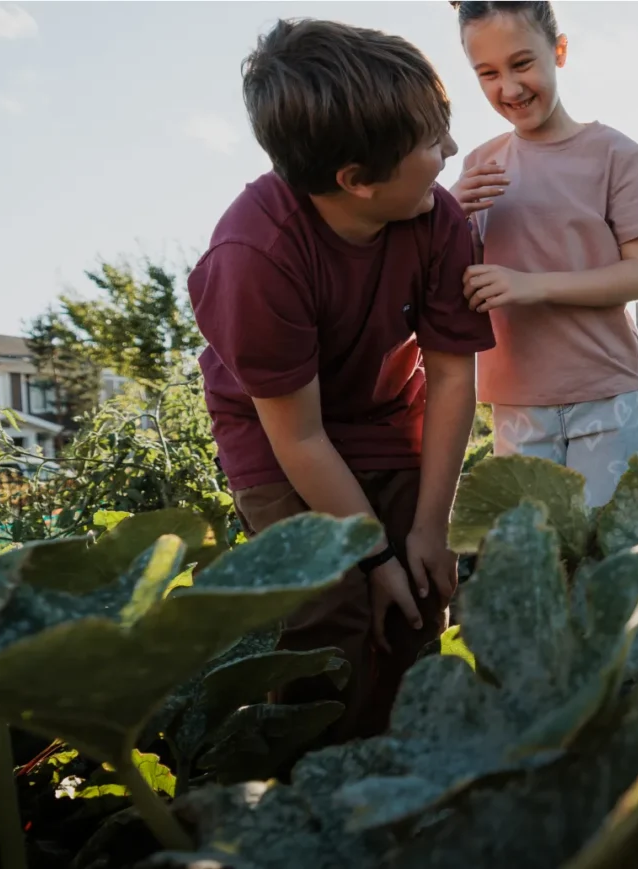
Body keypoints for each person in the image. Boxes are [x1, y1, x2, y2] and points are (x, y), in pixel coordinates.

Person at [186, 18, 493, 743]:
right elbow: (299, 433)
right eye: (432, 144)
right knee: (334, 608)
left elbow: (452, 379)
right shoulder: (253, 254)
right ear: (356, 180)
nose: (451, 153)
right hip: (280, 441)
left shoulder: (435, 216)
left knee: (420, 597)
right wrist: (374, 551)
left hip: (388, 415)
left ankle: (403, 775)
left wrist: (427, 529)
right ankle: (302, 780)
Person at [447, 1, 638, 509]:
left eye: (522, 64)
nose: (508, 88)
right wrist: (448, 212)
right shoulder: (480, 165)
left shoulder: (619, 156)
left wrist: (533, 285)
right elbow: (450, 277)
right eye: (488, 73)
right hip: (516, 402)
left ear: (560, 51)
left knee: (611, 559)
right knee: (539, 566)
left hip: (607, 395)